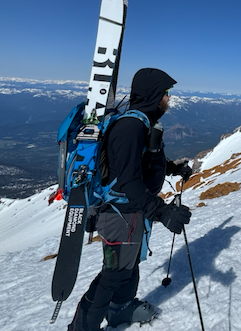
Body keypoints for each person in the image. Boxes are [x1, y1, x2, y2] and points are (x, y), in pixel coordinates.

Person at [68, 68, 193, 331]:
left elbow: (140, 164)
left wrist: (172, 167)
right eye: (165, 93)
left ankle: (120, 311)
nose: (168, 99)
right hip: (119, 214)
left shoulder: (142, 123)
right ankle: (82, 328)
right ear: (153, 94)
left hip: (131, 213)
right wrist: (162, 212)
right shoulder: (130, 127)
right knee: (113, 274)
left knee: (129, 266)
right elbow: (128, 181)